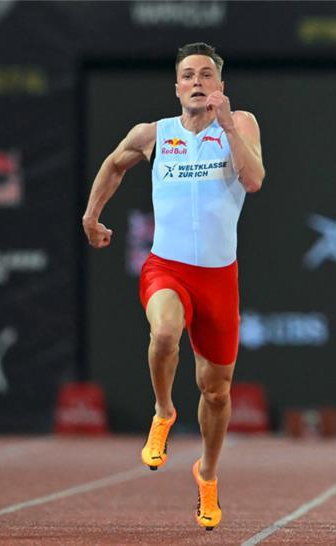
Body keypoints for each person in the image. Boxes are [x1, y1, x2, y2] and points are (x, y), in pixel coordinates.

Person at [82, 42, 264, 530]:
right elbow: (114, 165)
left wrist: (226, 126)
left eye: (207, 74)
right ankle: (163, 411)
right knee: (164, 332)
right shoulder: (153, 134)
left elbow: (254, 180)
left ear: (220, 87)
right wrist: (91, 214)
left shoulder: (240, 125)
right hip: (168, 268)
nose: (198, 82)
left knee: (217, 390)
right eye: (189, 75)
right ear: (178, 86)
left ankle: (207, 474)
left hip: (219, 277)